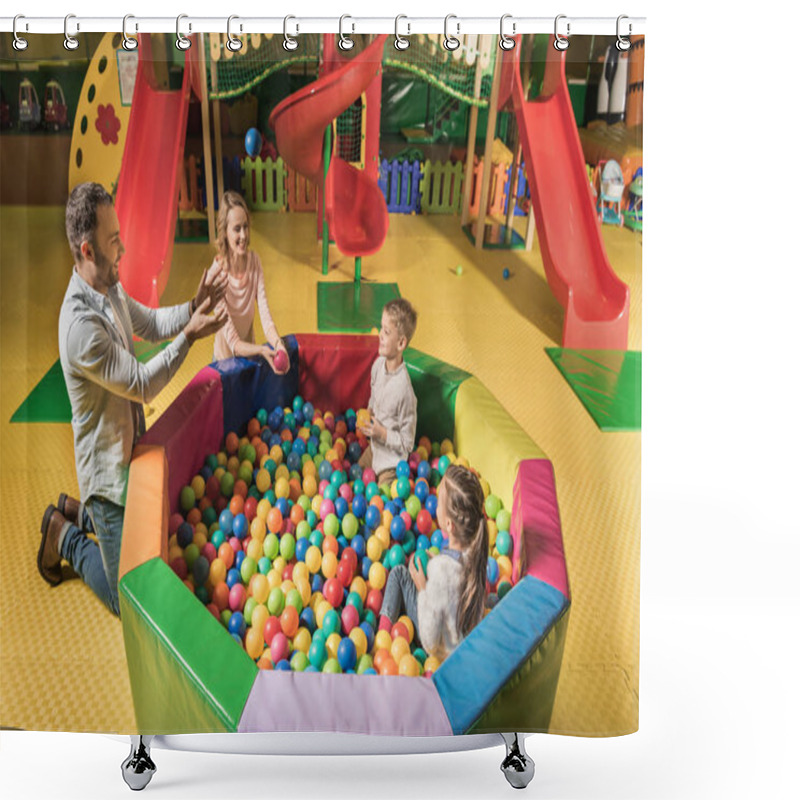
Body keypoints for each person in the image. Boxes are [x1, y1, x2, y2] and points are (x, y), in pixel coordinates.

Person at [37, 182, 229, 615]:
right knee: (128, 603)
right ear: (87, 251)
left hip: (131, 456)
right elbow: (142, 383)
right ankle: (64, 534)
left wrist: (196, 303)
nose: (122, 248)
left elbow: (152, 322)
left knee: (153, 541)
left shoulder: (109, 287)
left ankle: (76, 512)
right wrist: (191, 336)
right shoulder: (81, 327)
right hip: (107, 480)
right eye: (112, 241)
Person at [379, 464, 489, 662]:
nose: (435, 506)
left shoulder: (442, 570)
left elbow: (430, 640)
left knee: (398, 574)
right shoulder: (478, 555)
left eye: (438, 502)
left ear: (449, 525)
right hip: (460, 643)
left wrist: (422, 588)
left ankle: (381, 643)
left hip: (440, 647)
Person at [211, 191, 289, 373]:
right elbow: (234, 343)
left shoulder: (254, 262)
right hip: (224, 364)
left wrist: (278, 344)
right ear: (224, 232)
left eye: (245, 227)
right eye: (237, 229)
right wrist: (263, 350)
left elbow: (265, 316)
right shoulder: (217, 276)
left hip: (248, 360)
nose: (244, 235)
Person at [357, 298, 418, 486]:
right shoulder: (377, 366)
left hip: (391, 463)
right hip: (374, 451)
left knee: (382, 502)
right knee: (354, 476)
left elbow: (407, 443)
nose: (380, 335)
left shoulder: (404, 391)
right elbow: (373, 399)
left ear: (401, 343)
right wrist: (368, 415)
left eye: (386, 331)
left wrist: (382, 433)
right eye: (381, 328)